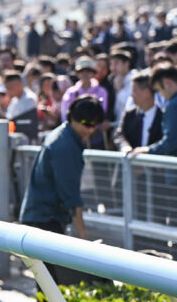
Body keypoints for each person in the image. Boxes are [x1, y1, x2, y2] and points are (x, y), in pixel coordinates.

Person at [19, 95, 104, 281]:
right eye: (86, 124)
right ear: (72, 118)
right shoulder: (66, 146)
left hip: (40, 216)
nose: (90, 129)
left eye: (95, 124)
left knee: (46, 281)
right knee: (50, 283)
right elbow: (71, 196)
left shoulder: (62, 134)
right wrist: (83, 237)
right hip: (45, 219)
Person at [129, 63, 177, 157]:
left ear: (167, 83)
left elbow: (171, 141)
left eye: (159, 90)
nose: (160, 95)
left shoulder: (173, 105)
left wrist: (148, 150)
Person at [113, 72, 162, 154]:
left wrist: (148, 151)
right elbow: (119, 135)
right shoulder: (129, 114)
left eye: (134, 91)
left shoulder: (163, 117)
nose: (131, 95)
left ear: (146, 92)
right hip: (132, 165)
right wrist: (125, 147)